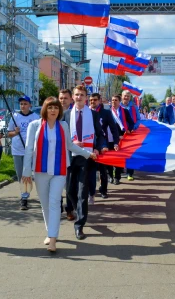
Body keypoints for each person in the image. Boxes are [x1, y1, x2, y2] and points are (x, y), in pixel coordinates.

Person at [22, 96, 96, 253]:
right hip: (40, 171)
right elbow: (29, 149)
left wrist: (87, 154)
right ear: (44, 109)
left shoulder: (63, 125)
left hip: (59, 170)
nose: (53, 110)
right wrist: (26, 171)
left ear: (59, 110)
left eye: (55, 107)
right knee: (45, 204)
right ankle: (50, 232)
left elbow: (69, 145)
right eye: (50, 107)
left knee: (55, 202)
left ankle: (53, 239)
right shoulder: (34, 126)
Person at [63, 85, 108, 240]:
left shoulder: (93, 115)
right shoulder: (66, 115)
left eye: (82, 95)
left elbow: (100, 135)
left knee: (83, 191)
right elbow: (61, 136)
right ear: (73, 97)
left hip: (87, 157)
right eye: (76, 94)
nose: (79, 97)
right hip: (70, 156)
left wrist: (98, 147)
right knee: (69, 191)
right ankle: (79, 211)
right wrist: (70, 142)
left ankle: (79, 225)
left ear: (86, 97)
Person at [7, 95, 40, 210]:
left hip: (31, 150)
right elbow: (8, 133)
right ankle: (24, 197)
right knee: (21, 175)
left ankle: (38, 195)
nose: (23, 106)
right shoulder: (15, 117)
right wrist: (15, 132)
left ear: (30, 105)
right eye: (21, 104)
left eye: (25, 104)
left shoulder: (35, 117)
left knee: (33, 174)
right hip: (17, 150)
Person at [89, 93, 119, 199]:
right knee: (90, 169)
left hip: (102, 144)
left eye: (95, 100)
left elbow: (113, 128)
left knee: (103, 169)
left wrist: (116, 142)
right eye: (91, 100)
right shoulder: (86, 112)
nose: (93, 102)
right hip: (89, 144)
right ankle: (90, 190)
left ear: (100, 100)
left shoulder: (106, 113)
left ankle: (103, 190)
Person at [109, 94, 134, 184]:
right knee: (110, 157)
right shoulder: (107, 111)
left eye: (115, 100)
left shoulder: (125, 111)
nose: (113, 102)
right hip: (109, 137)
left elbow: (131, 123)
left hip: (121, 137)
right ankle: (110, 176)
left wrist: (129, 130)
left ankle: (117, 177)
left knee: (118, 157)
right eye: (112, 100)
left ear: (119, 102)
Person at [121, 90, 141, 180]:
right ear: (122, 96)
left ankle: (130, 173)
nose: (126, 97)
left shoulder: (134, 107)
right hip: (120, 133)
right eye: (125, 96)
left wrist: (134, 128)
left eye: (128, 96)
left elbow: (138, 119)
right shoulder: (117, 105)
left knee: (130, 153)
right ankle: (118, 170)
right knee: (119, 152)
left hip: (131, 133)